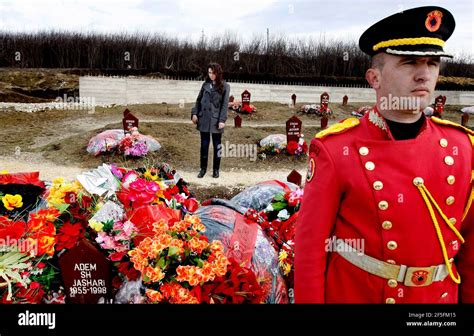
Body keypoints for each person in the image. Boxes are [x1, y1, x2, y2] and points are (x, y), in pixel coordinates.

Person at [295, 6, 474, 303]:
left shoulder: (463, 147)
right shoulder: (337, 150)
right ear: (374, 78)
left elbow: (470, 253)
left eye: (432, 63)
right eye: (409, 62)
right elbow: (311, 251)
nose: (424, 74)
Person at [191, 62, 230, 178]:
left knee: (217, 146)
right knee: (204, 145)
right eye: (209, 73)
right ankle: (203, 169)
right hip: (203, 119)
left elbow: (224, 105)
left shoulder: (225, 86)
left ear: (218, 73)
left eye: (213, 73)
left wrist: (222, 120)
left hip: (216, 121)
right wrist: (194, 113)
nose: (211, 75)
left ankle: (216, 170)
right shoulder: (205, 85)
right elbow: (198, 101)